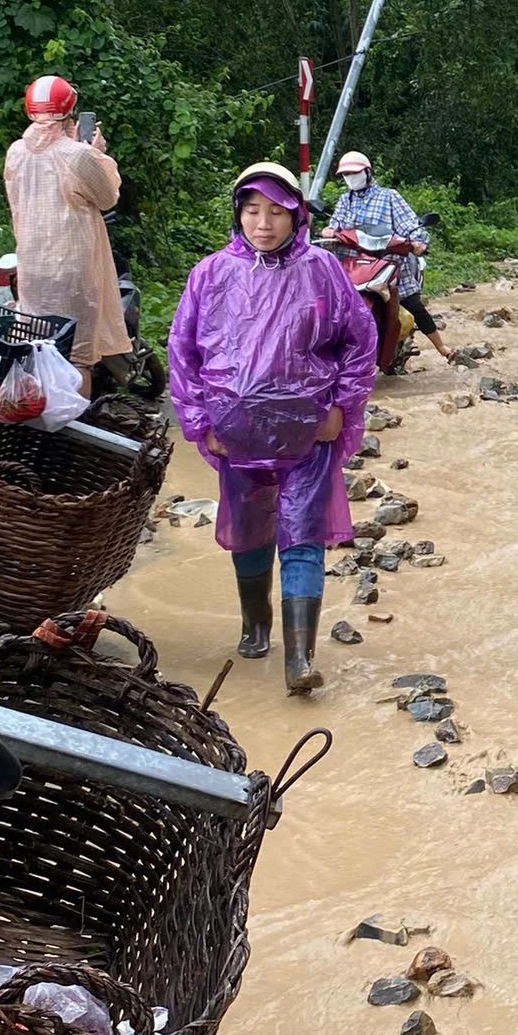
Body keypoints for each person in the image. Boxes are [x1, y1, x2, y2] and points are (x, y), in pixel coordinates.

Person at [167, 162, 378, 693]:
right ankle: (255, 624)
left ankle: (300, 660)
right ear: (238, 213)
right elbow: (183, 351)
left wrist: (342, 408)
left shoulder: (322, 268)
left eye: (276, 212)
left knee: (302, 532)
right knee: (249, 528)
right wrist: (198, 422)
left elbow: (360, 338)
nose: (263, 223)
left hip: (308, 430)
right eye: (252, 210)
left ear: (296, 215)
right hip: (237, 432)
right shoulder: (210, 274)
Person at [2, 75, 130, 387]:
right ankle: (72, 424)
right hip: (73, 269)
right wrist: (97, 153)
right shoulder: (78, 155)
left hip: (32, 268)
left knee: (36, 344)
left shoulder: (16, 152)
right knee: (77, 355)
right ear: (69, 111)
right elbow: (107, 197)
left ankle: (39, 425)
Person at [325, 150, 450, 363]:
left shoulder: (389, 196)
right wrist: (329, 230)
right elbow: (335, 224)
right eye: (346, 175)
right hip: (353, 264)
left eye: (355, 173)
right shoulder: (345, 200)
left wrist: (418, 240)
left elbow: (409, 224)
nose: (350, 178)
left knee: (413, 304)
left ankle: (443, 349)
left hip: (388, 261)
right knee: (326, 302)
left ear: (368, 172)